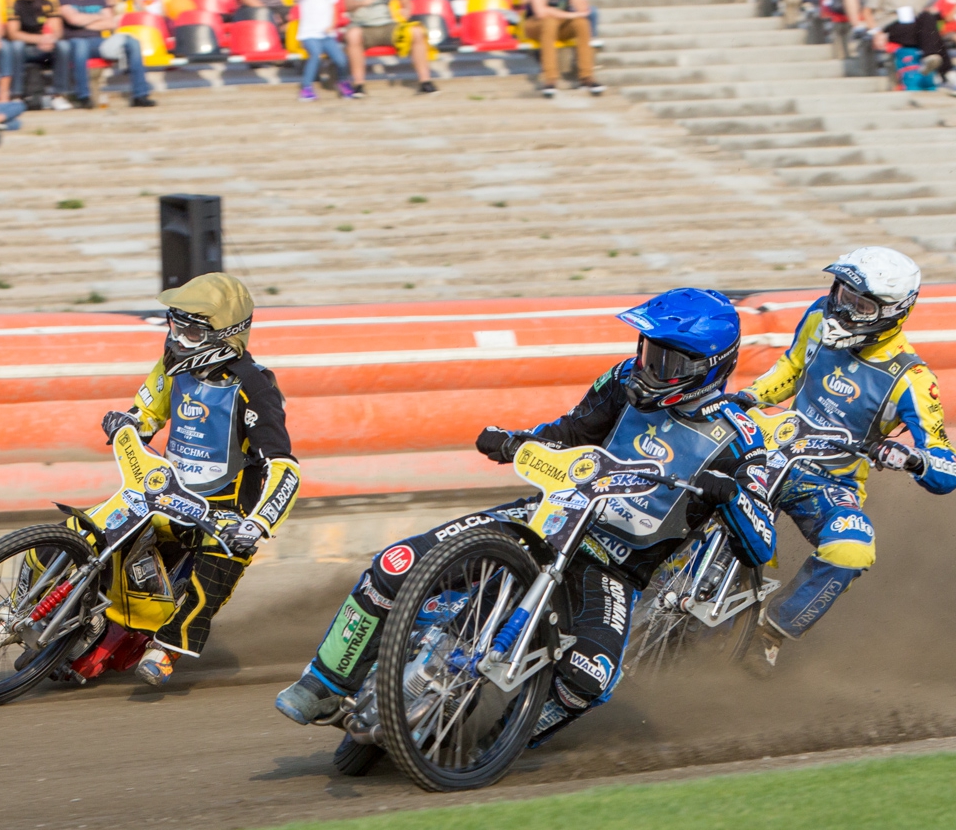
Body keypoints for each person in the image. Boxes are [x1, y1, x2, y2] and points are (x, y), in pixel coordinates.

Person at [272, 287, 776, 743]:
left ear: (707, 367)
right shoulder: (623, 380)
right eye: (647, 350)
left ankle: (500, 742)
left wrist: (731, 494)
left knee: (590, 676)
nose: (647, 366)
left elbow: (761, 544)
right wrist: (516, 441)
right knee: (397, 562)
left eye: (665, 359)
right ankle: (324, 680)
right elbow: (570, 433)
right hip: (554, 518)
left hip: (617, 569)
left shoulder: (741, 437)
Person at [734, 247, 956, 672]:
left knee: (853, 549)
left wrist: (911, 459)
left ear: (891, 311)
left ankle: (771, 631)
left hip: (829, 482)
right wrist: (748, 397)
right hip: (772, 444)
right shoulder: (819, 316)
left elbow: (948, 469)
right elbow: (791, 367)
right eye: (841, 291)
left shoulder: (912, 379)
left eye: (858, 303)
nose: (840, 306)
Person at [98, 274, 300, 686]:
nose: (179, 339)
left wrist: (256, 525)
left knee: (214, 574)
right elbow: (149, 411)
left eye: (192, 330)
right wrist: (130, 422)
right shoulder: (173, 363)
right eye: (176, 325)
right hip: (165, 494)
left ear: (226, 335)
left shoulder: (255, 388)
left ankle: (167, 648)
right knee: (97, 533)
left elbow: (285, 468)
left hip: (224, 515)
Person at [58, 0, 158, 107]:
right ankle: (83, 96)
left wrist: (83, 21)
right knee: (80, 45)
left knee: (133, 42)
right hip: (75, 43)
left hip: (99, 44)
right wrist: (97, 18)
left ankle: (140, 94)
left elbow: (111, 22)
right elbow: (73, 21)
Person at [525, 0, 601, 97]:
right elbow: (540, 11)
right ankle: (550, 79)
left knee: (581, 23)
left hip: (562, 24)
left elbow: (583, 9)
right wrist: (570, 14)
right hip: (535, 24)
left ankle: (586, 76)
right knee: (550, 22)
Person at [4, 0, 65, 104]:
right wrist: (40, 39)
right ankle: (16, 95)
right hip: (25, 48)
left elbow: (58, 30)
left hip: (46, 47)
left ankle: (59, 96)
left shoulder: (50, 0)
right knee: (16, 46)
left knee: (63, 46)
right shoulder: (13, 0)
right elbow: (13, 33)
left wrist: (50, 39)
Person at [295, 0, 349, 98]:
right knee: (315, 55)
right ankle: (306, 87)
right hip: (309, 35)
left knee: (341, 59)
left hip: (327, 35)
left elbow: (333, 12)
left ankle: (342, 82)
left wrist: (332, 25)